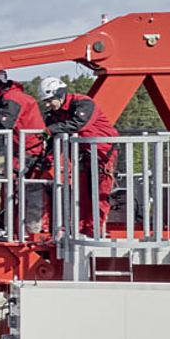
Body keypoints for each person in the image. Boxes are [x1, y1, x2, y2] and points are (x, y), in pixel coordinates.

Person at [0, 70, 49, 232]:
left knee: (12, 182)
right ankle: (7, 219)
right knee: (11, 182)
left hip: (27, 149)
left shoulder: (12, 98)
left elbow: (3, 124)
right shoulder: (2, 97)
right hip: (19, 148)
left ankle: (8, 221)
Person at [38, 77, 118, 234]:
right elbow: (51, 126)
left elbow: (78, 124)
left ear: (59, 95)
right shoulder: (59, 112)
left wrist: (50, 130)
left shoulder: (83, 104)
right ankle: (83, 227)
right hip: (84, 153)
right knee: (83, 193)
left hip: (102, 154)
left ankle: (94, 229)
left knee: (99, 192)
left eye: (49, 101)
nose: (47, 105)